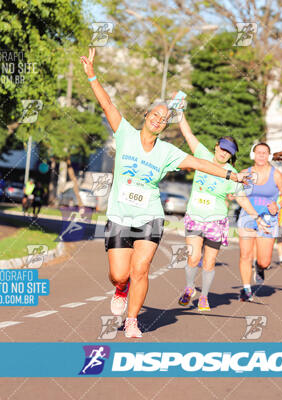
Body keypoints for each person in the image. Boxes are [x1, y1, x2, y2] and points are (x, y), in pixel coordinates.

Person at [80, 48, 249, 338]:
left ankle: (133, 320)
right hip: (120, 215)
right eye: (155, 115)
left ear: (165, 124)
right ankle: (121, 289)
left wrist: (233, 174)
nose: (159, 120)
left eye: (164, 118)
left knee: (141, 268)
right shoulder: (125, 134)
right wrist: (92, 74)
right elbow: (107, 104)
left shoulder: (168, 151)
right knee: (119, 274)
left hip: (150, 217)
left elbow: (199, 163)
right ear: (146, 115)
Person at [176, 114, 262, 312]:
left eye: (228, 152)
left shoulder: (234, 174)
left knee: (209, 261)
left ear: (232, 155)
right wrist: (178, 111)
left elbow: (241, 198)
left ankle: (204, 296)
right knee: (193, 256)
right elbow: (187, 133)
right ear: (216, 146)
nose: (224, 153)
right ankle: (189, 288)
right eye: (222, 149)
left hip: (216, 221)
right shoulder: (202, 155)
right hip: (195, 216)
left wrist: (257, 217)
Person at [236, 143, 282, 302]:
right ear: (253, 155)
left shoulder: (276, 174)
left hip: (268, 219)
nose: (261, 155)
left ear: (268, 155)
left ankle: (260, 268)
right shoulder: (245, 173)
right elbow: (234, 191)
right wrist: (232, 194)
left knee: (264, 260)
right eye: (258, 152)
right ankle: (246, 290)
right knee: (245, 255)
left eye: (264, 152)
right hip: (247, 218)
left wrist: (278, 205)